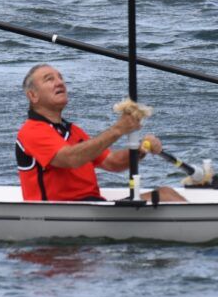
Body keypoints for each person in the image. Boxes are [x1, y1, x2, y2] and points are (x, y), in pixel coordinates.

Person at [15, 64, 186, 203]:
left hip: (93, 206)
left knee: (166, 193)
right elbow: (70, 159)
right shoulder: (32, 131)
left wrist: (140, 149)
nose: (60, 82)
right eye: (49, 79)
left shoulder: (73, 131)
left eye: (60, 77)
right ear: (33, 95)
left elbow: (113, 163)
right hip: (61, 214)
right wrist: (118, 129)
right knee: (166, 196)